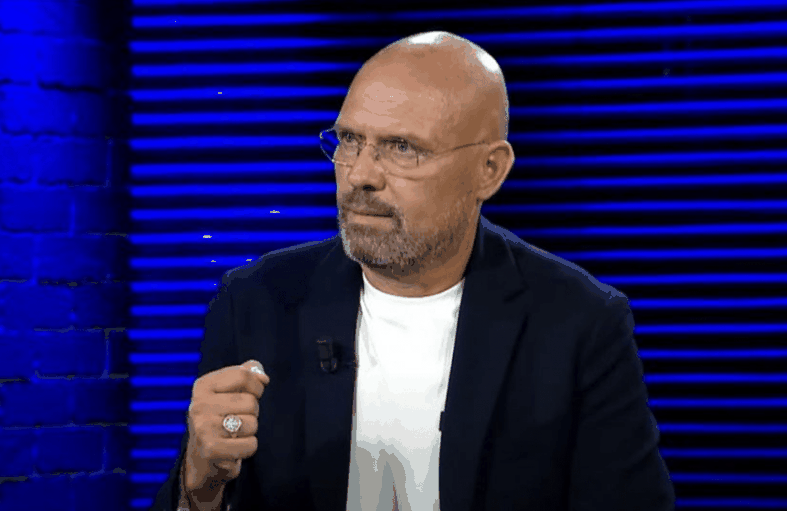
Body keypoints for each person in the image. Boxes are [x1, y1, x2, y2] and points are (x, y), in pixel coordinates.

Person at [150, 31, 675, 511]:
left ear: (489, 170)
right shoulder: (256, 302)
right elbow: (200, 495)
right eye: (349, 141)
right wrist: (199, 485)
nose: (360, 175)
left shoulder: (578, 323)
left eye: (401, 148)